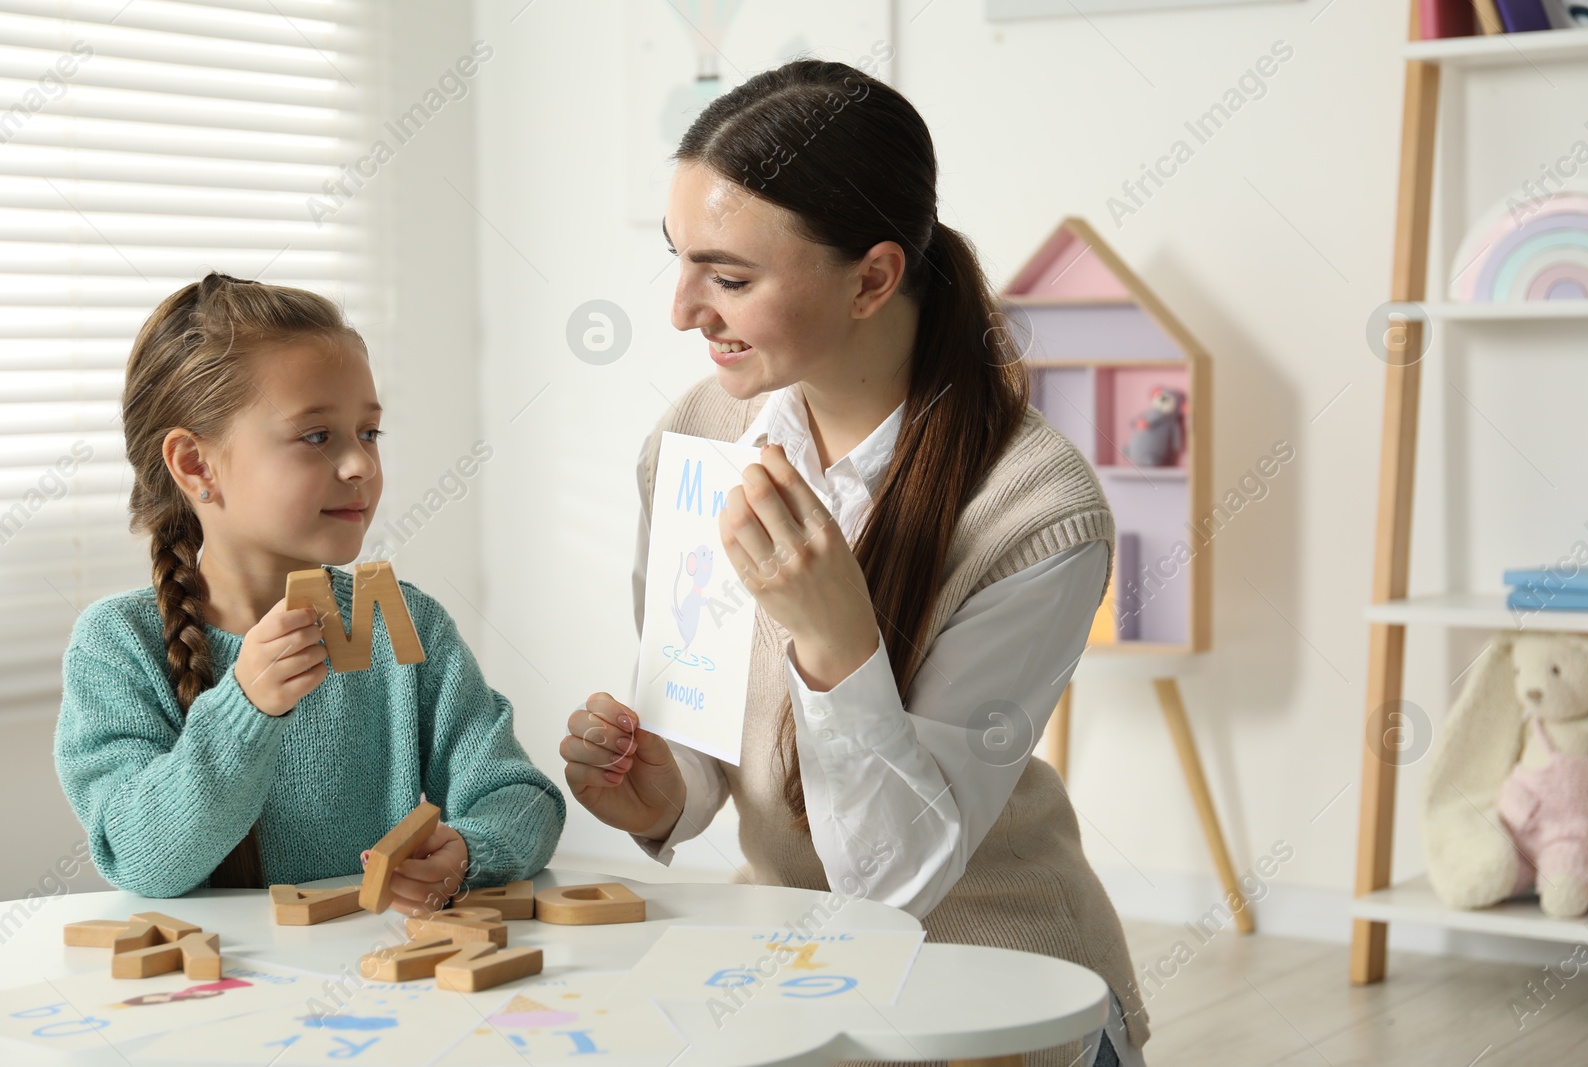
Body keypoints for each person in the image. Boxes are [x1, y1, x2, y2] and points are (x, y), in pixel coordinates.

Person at [560, 60, 1147, 1066]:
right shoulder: (696, 438)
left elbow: (894, 881)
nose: (683, 310)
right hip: (789, 957)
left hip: (993, 969)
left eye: (730, 278)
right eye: (681, 261)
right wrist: (663, 786)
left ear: (873, 277)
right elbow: (703, 735)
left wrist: (836, 636)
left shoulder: (1034, 514)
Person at [55, 273, 565, 914]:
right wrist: (246, 708)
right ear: (195, 465)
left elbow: (520, 795)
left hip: (391, 988)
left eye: (369, 433)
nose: (360, 466)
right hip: (225, 998)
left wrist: (467, 849)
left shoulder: (404, 625)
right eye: (317, 437)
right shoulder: (117, 646)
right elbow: (139, 856)